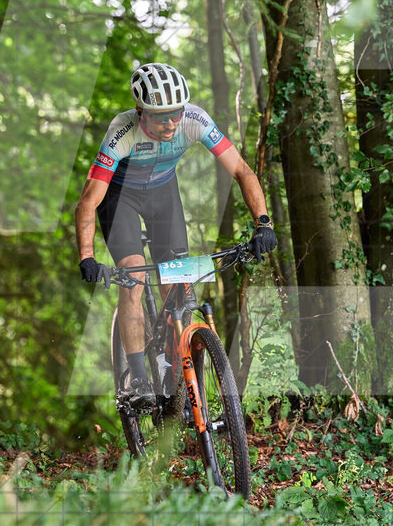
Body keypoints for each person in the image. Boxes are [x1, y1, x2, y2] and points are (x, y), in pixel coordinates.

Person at [75, 63, 277, 408]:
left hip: (162, 193)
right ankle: (138, 378)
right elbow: (88, 201)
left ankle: (174, 372)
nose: (171, 123)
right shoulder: (121, 132)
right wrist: (87, 256)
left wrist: (264, 223)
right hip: (119, 196)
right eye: (160, 116)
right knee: (134, 274)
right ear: (140, 113)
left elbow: (242, 170)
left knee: (176, 277)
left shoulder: (194, 121)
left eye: (176, 114)